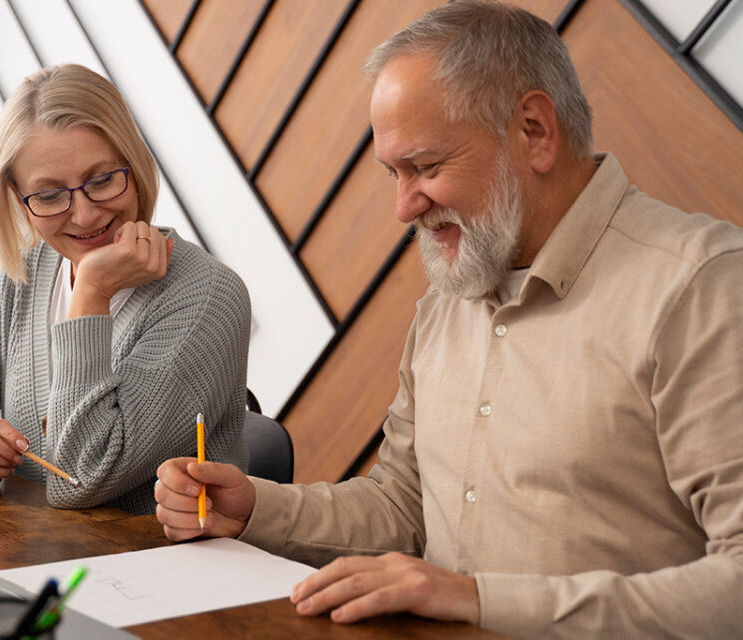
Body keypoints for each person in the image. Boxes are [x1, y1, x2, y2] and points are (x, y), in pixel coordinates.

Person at [154, 2, 743, 637]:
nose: (404, 206)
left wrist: (480, 600)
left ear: (536, 131)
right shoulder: (446, 301)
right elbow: (405, 504)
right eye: (393, 174)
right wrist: (254, 509)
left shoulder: (702, 287)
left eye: (427, 167)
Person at [0, 64, 250, 514]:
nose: (84, 216)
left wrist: (91, 293)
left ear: (136, 164)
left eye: (103, 180)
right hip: (34, 555)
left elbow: (82, 479)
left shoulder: (207, 296)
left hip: (157, 566)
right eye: (49, 196)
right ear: (18, 199)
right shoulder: (23, 276)